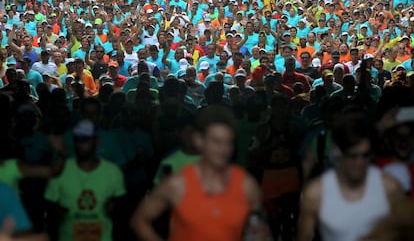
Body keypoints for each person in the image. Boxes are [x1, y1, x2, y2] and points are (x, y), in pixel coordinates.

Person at [131, 105, 269, 240]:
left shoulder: (244, 182)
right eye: (216, 141)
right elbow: (140, 220)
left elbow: (258, 226)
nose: (223, 149)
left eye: (228, 143)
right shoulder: (177, 181)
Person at [297, 112, 406, 241]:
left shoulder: (389, 187)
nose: (360, 163)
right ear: (338, 153)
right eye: (353, 156)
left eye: (365, 155)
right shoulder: (316, 193)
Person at [44, 119, 126, 241]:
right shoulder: (61, 169)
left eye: (85, 140)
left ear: (96, 141)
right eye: (78, 140)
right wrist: (56, 213)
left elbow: (122, 209)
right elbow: (49, 204)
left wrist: (113, 209)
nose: (80, 145)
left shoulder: (113, 172)